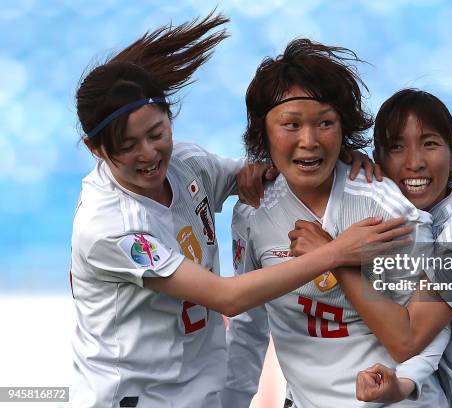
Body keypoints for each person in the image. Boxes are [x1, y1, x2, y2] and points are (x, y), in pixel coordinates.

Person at [69, 14, 409, 408]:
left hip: (200, 390)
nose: (148, 154)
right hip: (138, 398)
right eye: (128, 146)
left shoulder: (188, 166)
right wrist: (334, 253)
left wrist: (337, 152)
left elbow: (268, 170)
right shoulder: (109, 227)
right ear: (95, 149)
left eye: (157, 134)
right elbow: (232, 302)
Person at [221, 40, 450, 408]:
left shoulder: (389, 212)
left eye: (324, 123)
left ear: (343, 127)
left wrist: (404, 384)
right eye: (291, 125)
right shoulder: (252, 213)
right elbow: (249, 328)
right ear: (264, 133)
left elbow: (427, 331)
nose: (308, 142)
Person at [290, 89, 452, 407]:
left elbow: (411, 336)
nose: (414, 162)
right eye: (397, 147)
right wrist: (257, 172)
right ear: (378, 159)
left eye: (429, 144)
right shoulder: (405, 215)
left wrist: (332, 256)